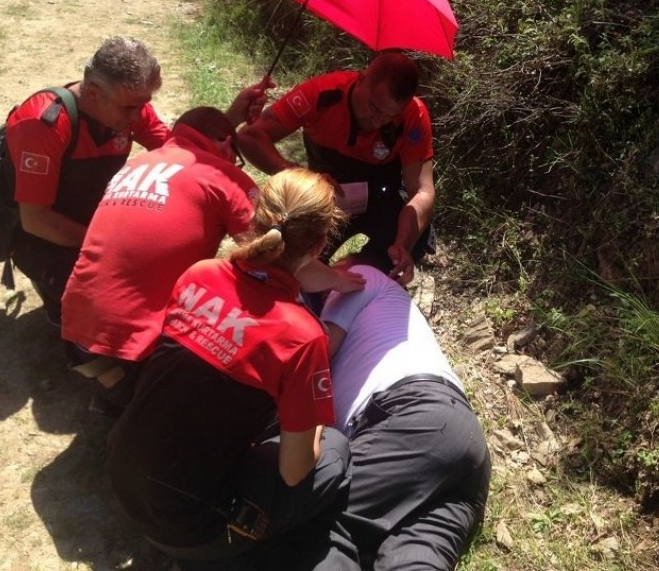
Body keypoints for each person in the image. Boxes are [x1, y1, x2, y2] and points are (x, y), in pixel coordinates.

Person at [105, 168, 353, 566]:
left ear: (255, 219)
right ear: (320, 244)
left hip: (123, 479)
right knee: (335, 452)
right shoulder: (302, 336)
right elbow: (294, 471)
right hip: (189, 529)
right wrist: (316, 418)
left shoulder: (199, 274)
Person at [249, 257, 491, 571]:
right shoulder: (376, 329)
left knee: (317, 521)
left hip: (412, 415)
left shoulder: (359, 278)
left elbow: (313, 355)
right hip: (460, 445)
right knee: (416, 556)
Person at [4, 36, 266, 325]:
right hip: (43, 237)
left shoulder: (128, 109)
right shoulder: (42, 125)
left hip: (94, 222)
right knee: (103, 305)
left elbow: (180, 154)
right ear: (92, 93)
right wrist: (109, 246)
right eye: (129, 108)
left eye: (144, 105)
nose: (138, 116)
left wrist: (228, 120)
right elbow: (35, 220)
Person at [59, 105, 259, 414]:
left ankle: (115, 396)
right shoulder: (223, 176)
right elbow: (269, 258)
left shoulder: (137, 164)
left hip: (76, 334)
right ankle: (144, 409)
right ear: (226, 143)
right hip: (131, 354)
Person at [237, 52, 436, 286]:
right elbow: (250, 137)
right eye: (373, 107)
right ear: (360, 80)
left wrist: (403, 244)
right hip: (326, 198)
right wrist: (300, 176)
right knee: (288, 263)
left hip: (381, 197)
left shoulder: (414, 114)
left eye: (390, 115)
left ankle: (360, 273)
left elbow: (422, 191)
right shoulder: (323, 93)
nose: (378, 120)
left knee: (412, 240)